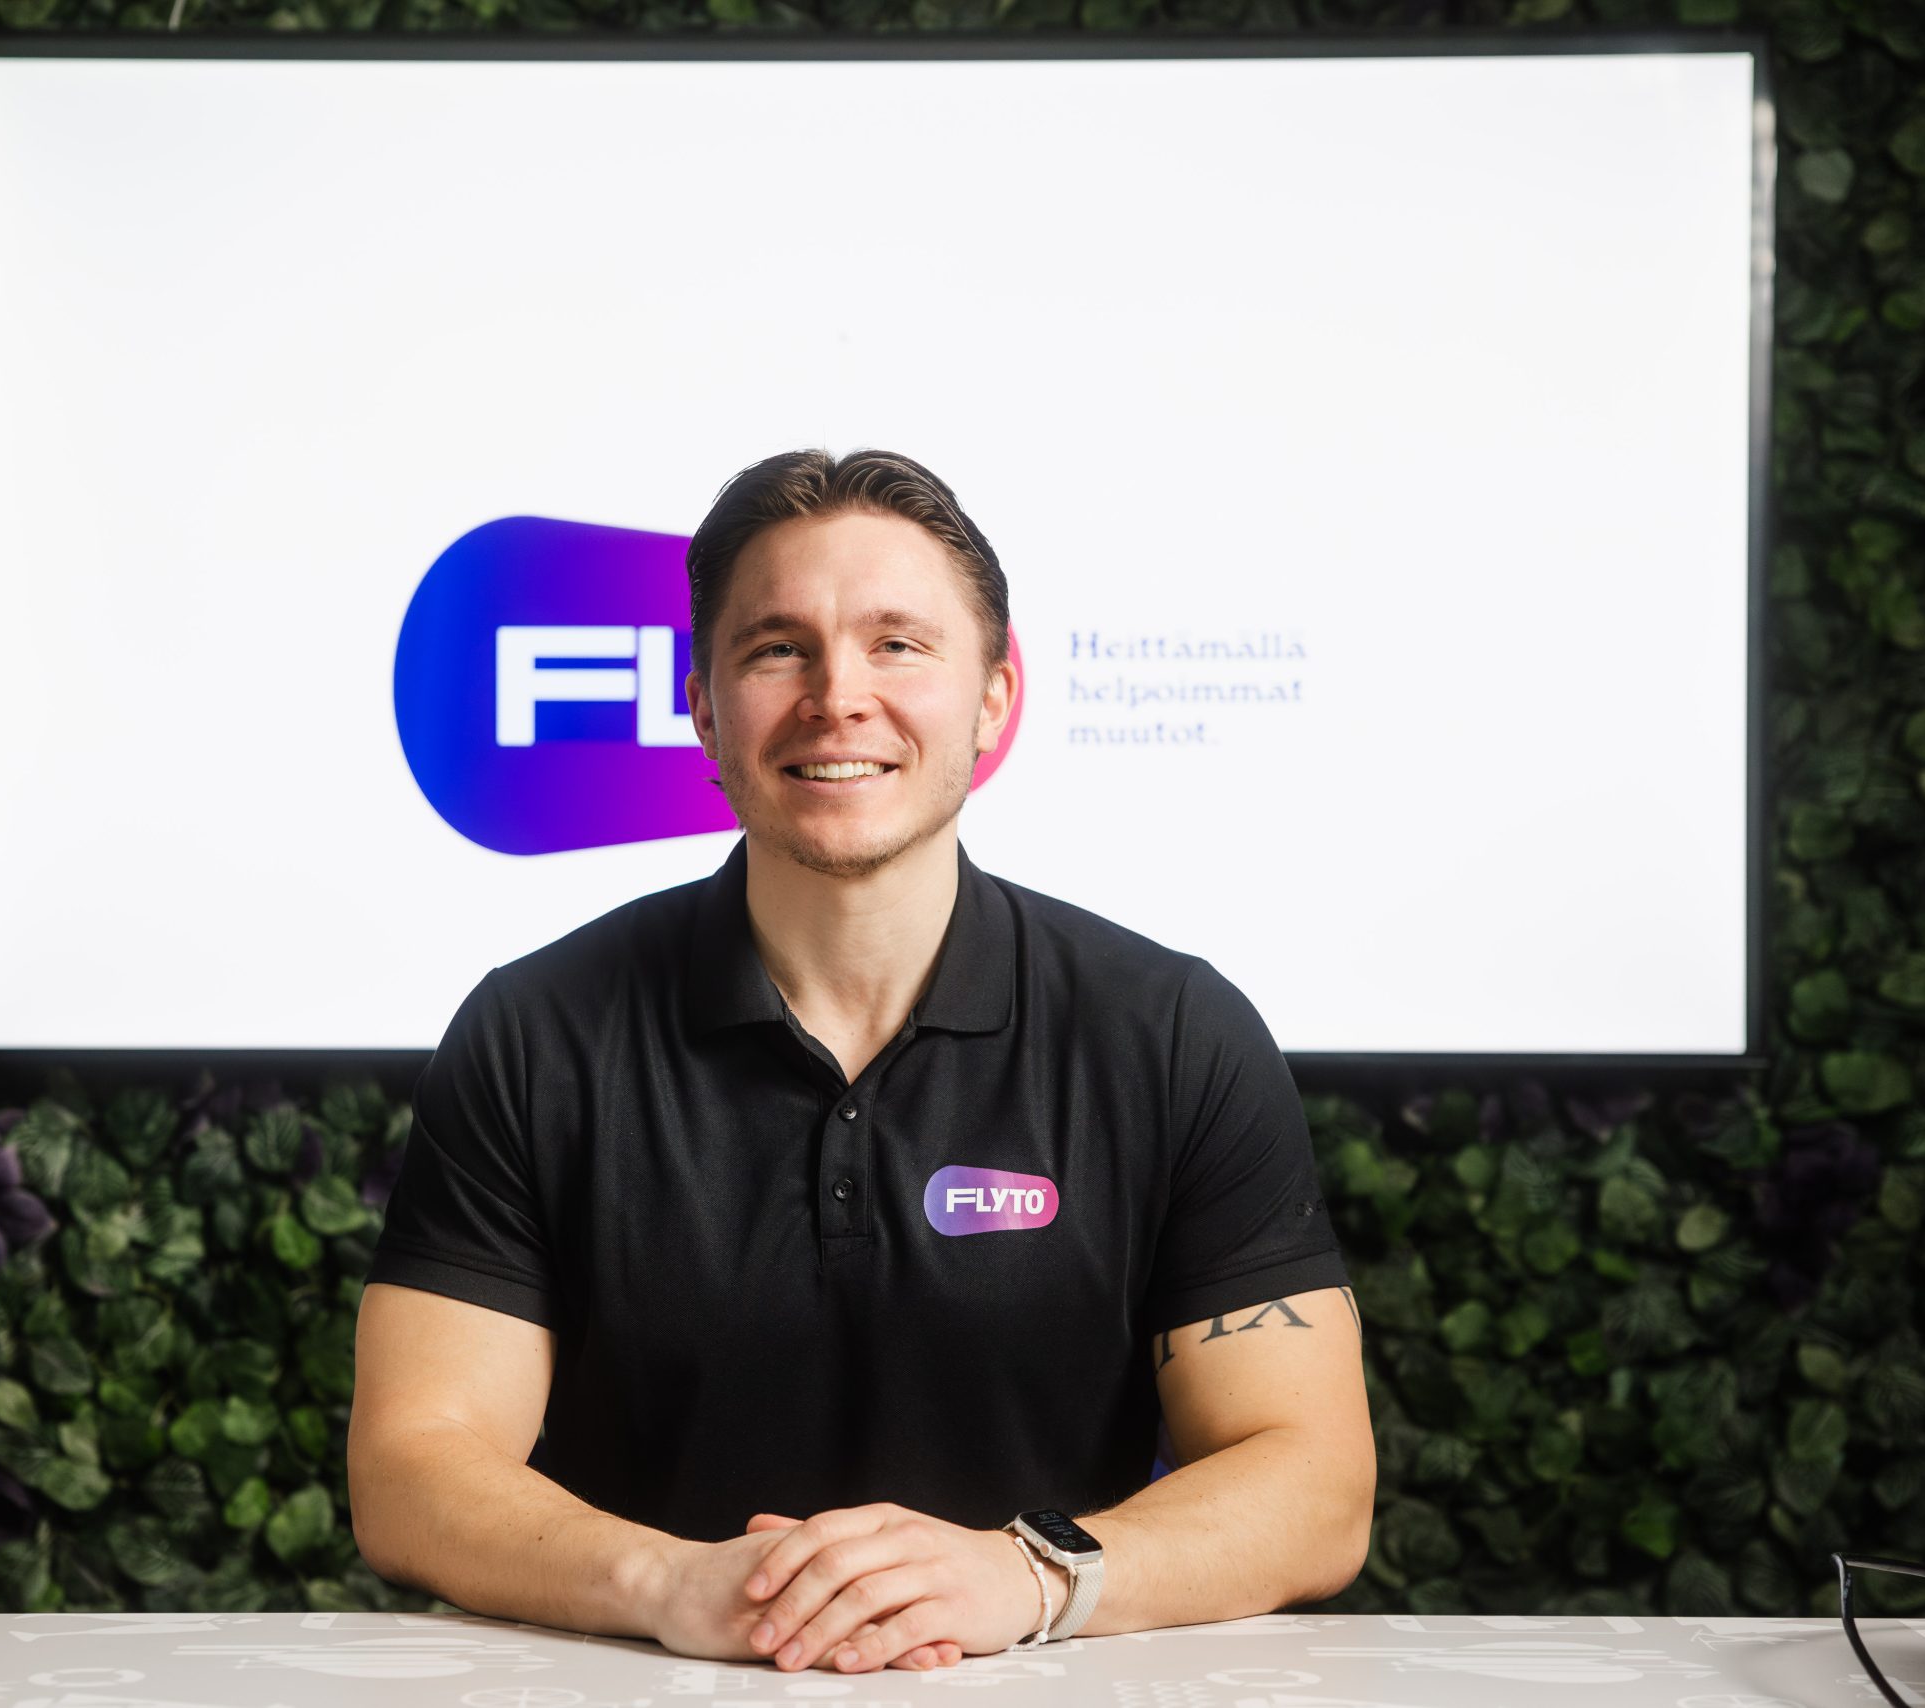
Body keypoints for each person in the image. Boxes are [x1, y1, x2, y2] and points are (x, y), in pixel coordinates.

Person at [348, 448, 1374, 1675]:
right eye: (777, 648)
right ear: (703, 708)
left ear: (993, 697)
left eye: (898, 644)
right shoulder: (536, 1033)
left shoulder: (1169, 1033)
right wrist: (669, 1582)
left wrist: (1024, 1572)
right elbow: (414, 1463)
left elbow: (1313, 1479)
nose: (838, 697)